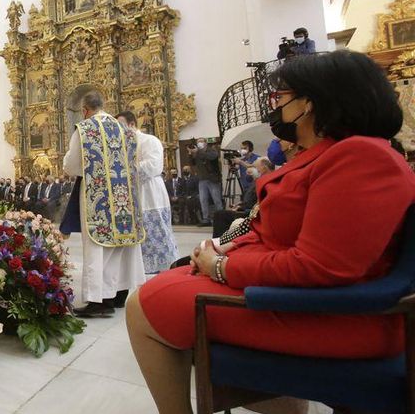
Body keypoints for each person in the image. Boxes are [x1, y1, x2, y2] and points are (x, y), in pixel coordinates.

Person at [127, 51, 415, 414]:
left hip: (337, 315)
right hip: (307, 298)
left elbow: (319, 266)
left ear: (309, 102)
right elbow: (280, 231)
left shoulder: (360, 157)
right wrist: (221, 251)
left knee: (141, 306)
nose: (274, 105)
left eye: (279, 97)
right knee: (168, 282)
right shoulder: (335, 152)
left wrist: (222, 267)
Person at [60, 91, 146, 318]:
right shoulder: (126, 130)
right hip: (124, 199)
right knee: (122, 246)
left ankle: (99, 301)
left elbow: (72, 166)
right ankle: (119, 295)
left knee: (98, 249)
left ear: (85, 110)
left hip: (98, 199)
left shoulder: (86, 130)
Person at [118, 111, 178, 274]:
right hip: (132, 193)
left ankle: (163, 264)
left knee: (156, 228)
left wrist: (126, 169)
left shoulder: (149, 140)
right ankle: (141, 265)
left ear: (131, 124)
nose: (119, 130)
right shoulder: (123, 145)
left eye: (121, 125)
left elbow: (154, 165)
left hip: (150, 191)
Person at [212, 157, 274, 238]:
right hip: (247, 209)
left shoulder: (267, 182)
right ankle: (220, 240)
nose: (252, 170)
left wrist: (242, 208)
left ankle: (219, 241)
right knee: (221, 213)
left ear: (264, 168)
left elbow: (259, 203)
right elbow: (250, 200)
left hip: (252, 213)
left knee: (220, 215)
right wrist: (240, 204)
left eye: (255, 167)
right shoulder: (257, 181)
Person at [188, 138, 223, 227]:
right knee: (203, 200)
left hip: (213, 179)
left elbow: (211, 157)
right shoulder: (197, 153)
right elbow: (192, 163)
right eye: (198, 142)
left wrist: (198, 152)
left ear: (206, 143)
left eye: (201, 141)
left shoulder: (212, 150)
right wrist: (190, 153)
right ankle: (206, 219)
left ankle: (221, 218)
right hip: (202, 179)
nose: (200, 143)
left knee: (216, 200)